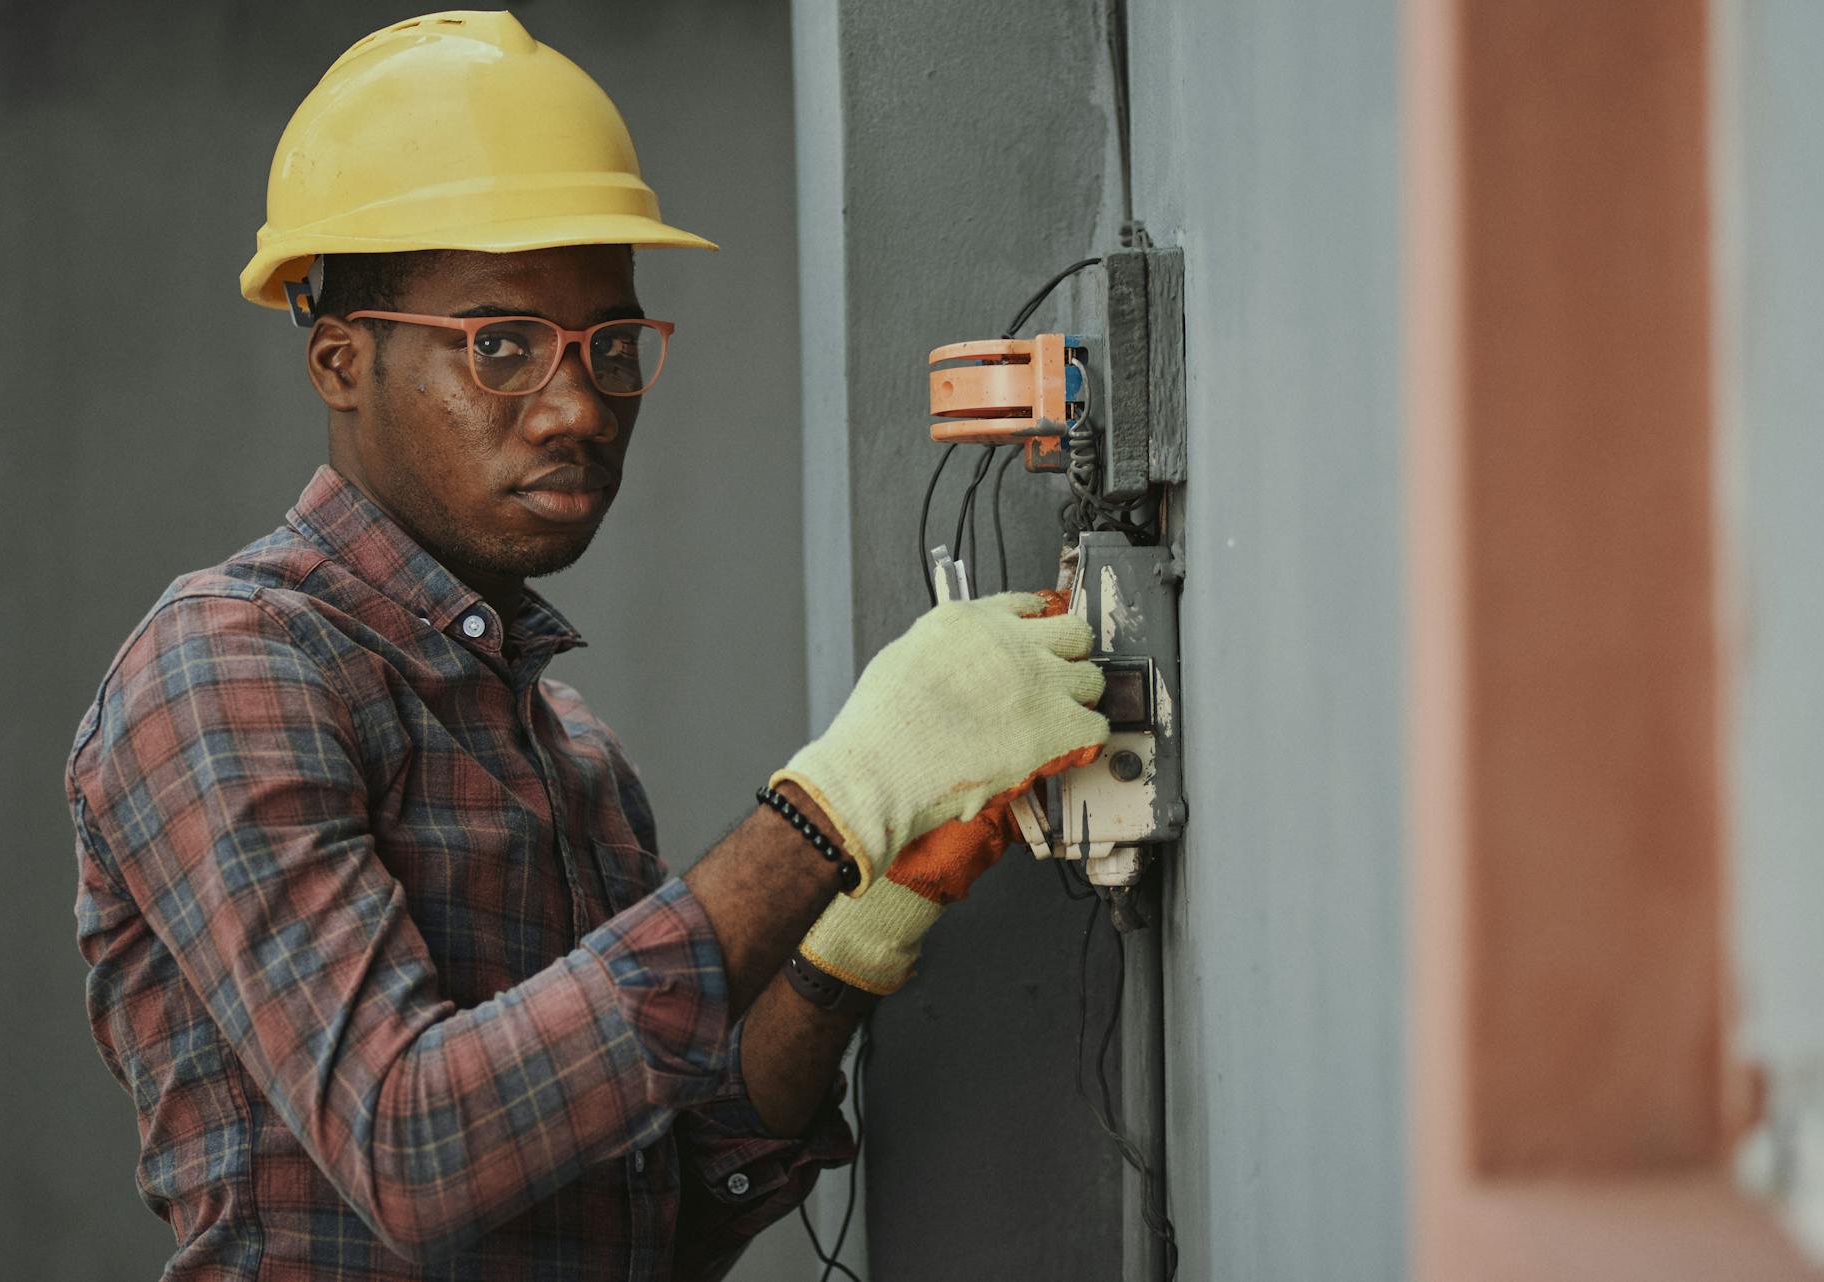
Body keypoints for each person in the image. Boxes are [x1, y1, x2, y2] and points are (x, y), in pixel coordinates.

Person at [64, 12, 1108, 1279]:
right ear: (343, 361)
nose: (577, 406)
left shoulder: (575, 761)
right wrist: (835, 804)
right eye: (499, 346)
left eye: (611, 346)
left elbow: (669, 1215)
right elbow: (418, 1151)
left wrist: (854, 932)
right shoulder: (228, 671)